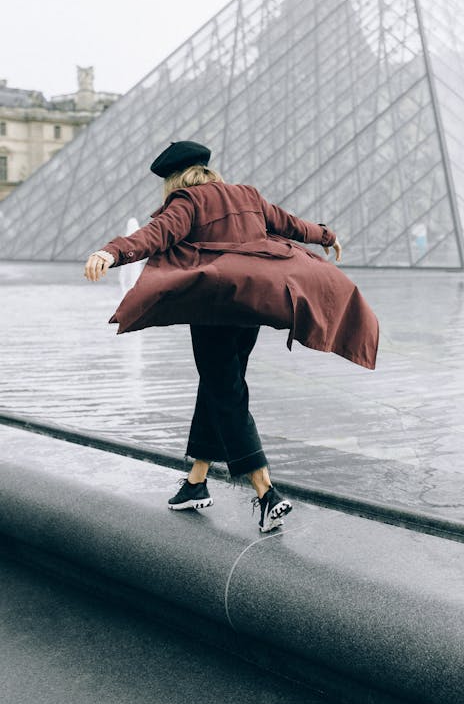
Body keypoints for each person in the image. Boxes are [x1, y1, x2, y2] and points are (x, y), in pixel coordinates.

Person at [84, 140, 379, 533]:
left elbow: (156, 234)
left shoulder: (187, 201)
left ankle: (266, 493)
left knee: (225, 392)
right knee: (219, 384)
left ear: (175, 178)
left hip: (215, 308)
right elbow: (289, 223)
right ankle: (195, 483)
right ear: (208, 169)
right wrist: (326, 235)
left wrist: (112, 252)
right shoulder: (248, 195)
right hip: (251, 305)